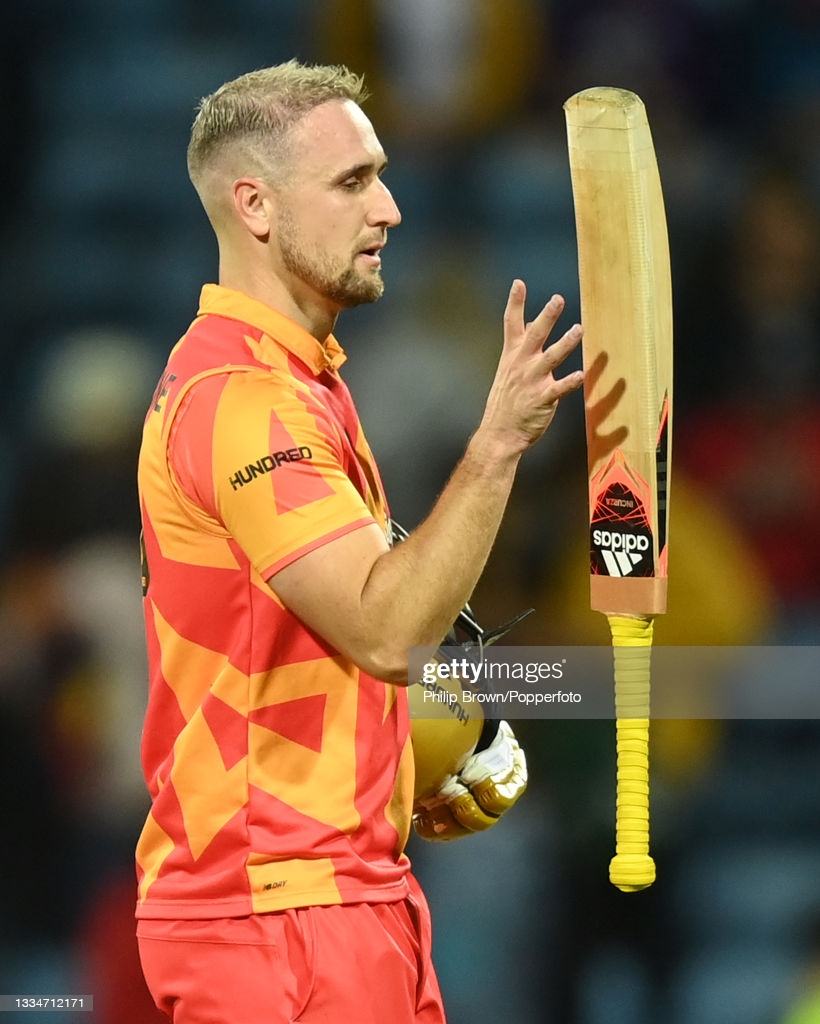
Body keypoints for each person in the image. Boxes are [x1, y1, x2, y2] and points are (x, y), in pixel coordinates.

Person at [135, 60, 583, 1024]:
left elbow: (311, 649)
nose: (389, 207)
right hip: (281, 917)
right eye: (351, 181)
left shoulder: (299, 383)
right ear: (254, 206)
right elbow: (385, 630)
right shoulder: (247, 403)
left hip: (332, 894)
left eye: (380, 173)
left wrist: (403, 754)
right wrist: (499, 442)